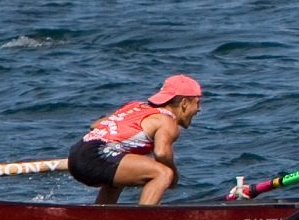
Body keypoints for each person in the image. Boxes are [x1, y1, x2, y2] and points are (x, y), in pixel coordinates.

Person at [68, 74, 202, 206]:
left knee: (120, 176)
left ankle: (100, 217)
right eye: (197, 103)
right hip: (95, 156)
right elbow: (162, 153)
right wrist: (173, 176)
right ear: (184, 103)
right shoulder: (167, 121)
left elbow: (95, 125)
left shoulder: (135, 106)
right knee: (163, 173)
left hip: (76, 154)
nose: (198, 109)